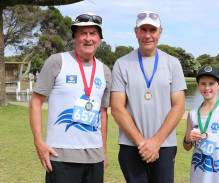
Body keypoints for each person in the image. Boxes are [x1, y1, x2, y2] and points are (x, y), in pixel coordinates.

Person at [29, 12, 111, 183]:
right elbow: (36, 102)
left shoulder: (104, 71)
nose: (88, 38)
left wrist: (103, 151)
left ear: (100, 39)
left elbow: (103, 113)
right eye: (83, 33)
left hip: (94, 158)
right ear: (75, 37)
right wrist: (39, 142)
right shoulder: (57, 61)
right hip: (61, 156)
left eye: (93, 33)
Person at [111, 11, 187, 183]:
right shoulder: (122, 64)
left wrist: (156, 142)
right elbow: (117, 108)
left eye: (152, 30)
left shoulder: (173, 64)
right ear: (135, 31)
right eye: (143, 29)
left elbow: (179, 106)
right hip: (131, 146)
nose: (147, 35)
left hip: (165, 146)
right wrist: (142, 143)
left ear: (160, 32)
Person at [183, 66, 219, 183]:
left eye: (211, 84)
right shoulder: (192, 114)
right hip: (197, 176)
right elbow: (187, 147)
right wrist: (187, 139)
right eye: (203, 84)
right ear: (198, 85)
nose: (207, 88)